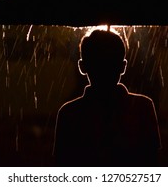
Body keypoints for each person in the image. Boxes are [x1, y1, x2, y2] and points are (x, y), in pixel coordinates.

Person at [53, 28, 161, 166]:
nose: (103, 70)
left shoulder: (69, 113)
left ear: (82, 66)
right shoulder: (143, 107)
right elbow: (152, 163)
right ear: (123, 67)